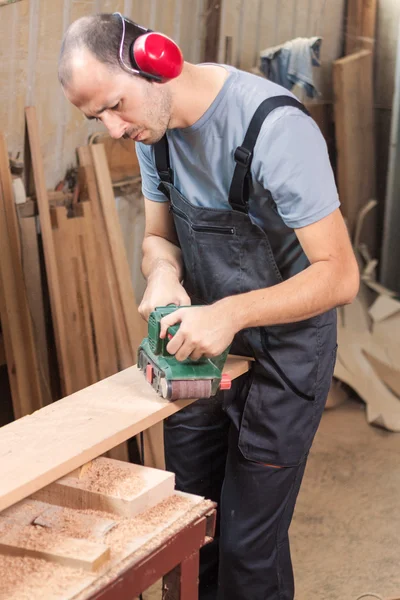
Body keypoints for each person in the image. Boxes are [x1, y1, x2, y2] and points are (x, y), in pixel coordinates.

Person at [59, 13, 359, 600]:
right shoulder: (152, 133)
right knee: (191, 527)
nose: (114, 129)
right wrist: (166, 271)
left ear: (158, 62)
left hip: (284, 353)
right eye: (97, 117)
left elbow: (340, 276)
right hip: (200, 349)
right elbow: (157, 237)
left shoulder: (274, 129)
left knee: (249, 548)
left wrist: (230, 314)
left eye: (116, 105)